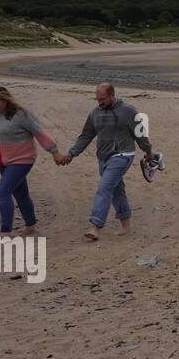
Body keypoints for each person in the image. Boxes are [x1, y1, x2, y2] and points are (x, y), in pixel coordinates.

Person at [0, 85, 67, 237]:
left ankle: (6, 230)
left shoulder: (21, 114)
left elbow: (39, 132)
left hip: (22, 159)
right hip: (2, 161)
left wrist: (54, 152)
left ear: (5, 101)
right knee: (21, 193)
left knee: (2, 191)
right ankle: (31, 226)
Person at [60, 82, 153, 241]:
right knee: (116, 190)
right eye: (97, 99)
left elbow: (140, 133)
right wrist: (71, 154)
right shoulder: (95, 113)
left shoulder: (128, 111)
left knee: (105, 186)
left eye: (103, 99)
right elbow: (86, 136)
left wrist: (148, 150)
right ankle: (126, 225)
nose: (100, 102)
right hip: (103, 157)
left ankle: (95, 226)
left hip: (123, 155)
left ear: (112, 95)